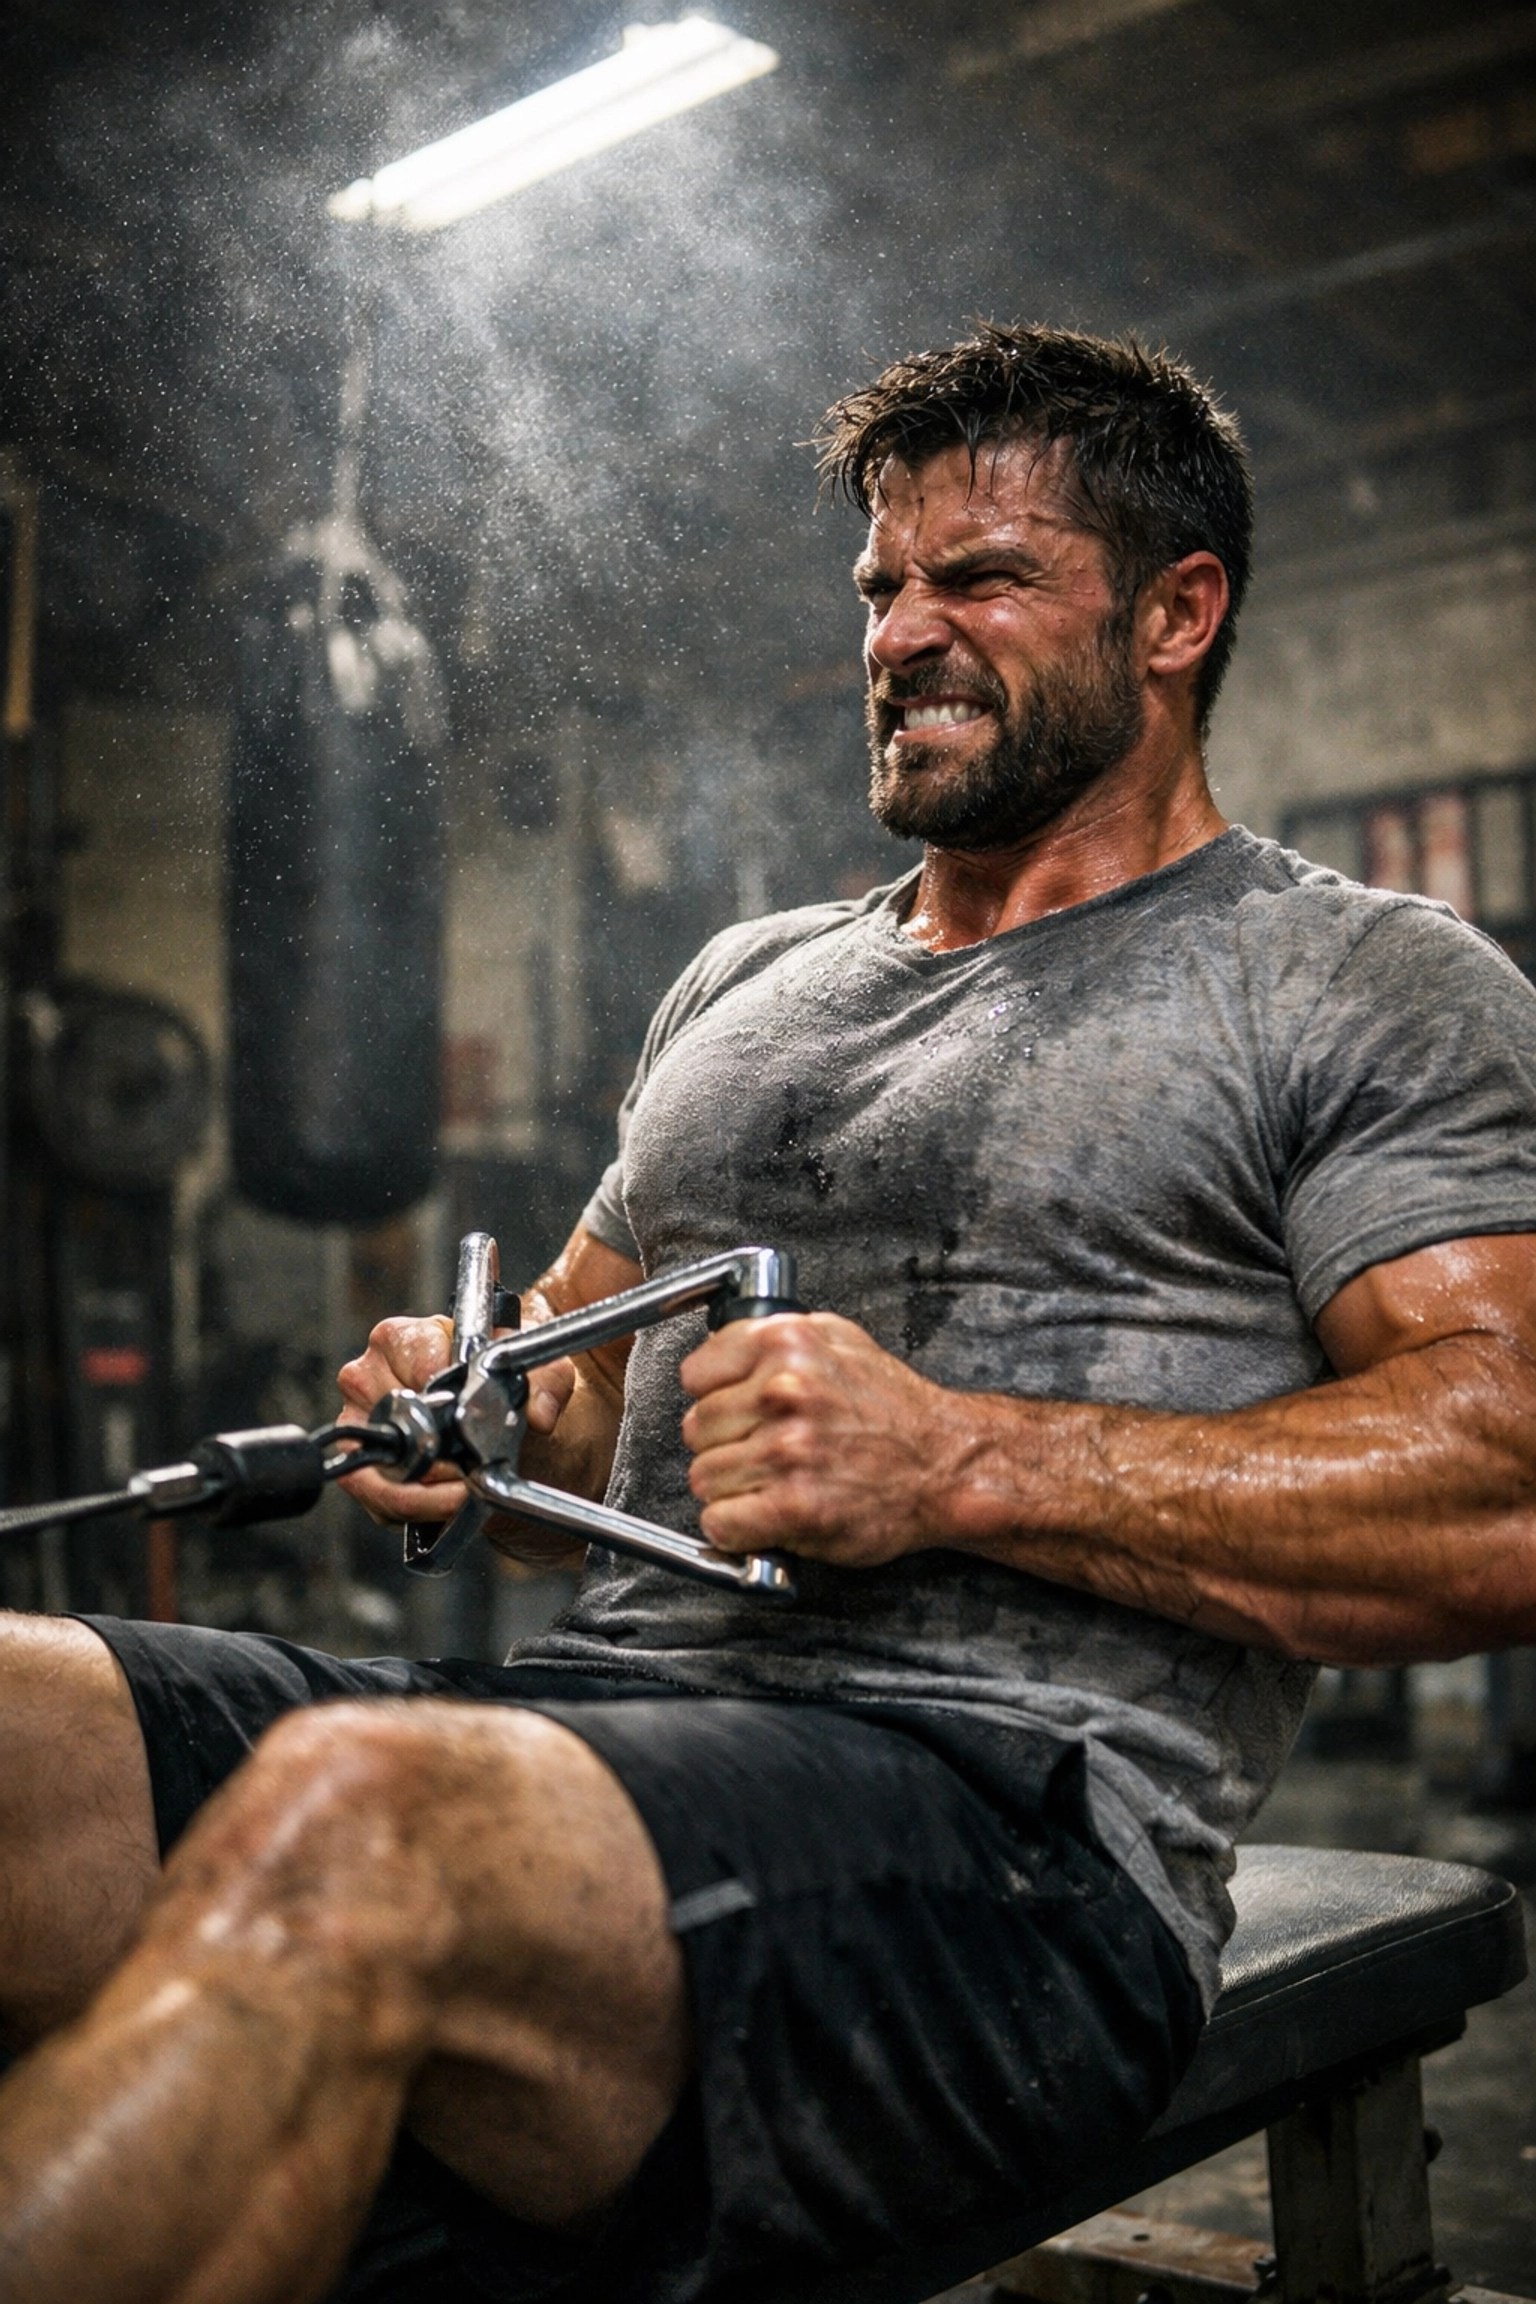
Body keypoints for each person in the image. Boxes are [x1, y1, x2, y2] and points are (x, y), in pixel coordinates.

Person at [3, 321, 1536, 2304]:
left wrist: (963, 1462)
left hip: (1009, 1840)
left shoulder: (1354, 980)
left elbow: (1506, 1484)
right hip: (587, 1737)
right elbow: (578, 1402)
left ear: (1178, 614)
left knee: (360, 1816)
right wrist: (479, 1412)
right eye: (882, 586)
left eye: (981, 578)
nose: (902, 634)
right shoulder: (744, 981)